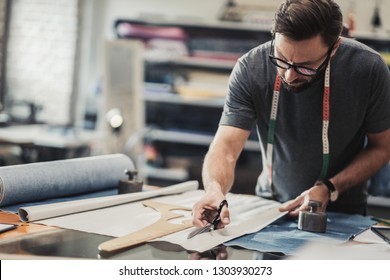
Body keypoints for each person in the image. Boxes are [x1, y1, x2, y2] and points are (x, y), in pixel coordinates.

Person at [192, 0, 390, 229]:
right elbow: (225, 147)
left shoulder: (368, 70)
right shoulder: (250, 68)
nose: (288, 76)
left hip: (342, 211)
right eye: (281, 59)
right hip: (271, 208)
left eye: (305, 66)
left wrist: (330, 187)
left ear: (334, 48)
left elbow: (382, 147)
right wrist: (215, 190)